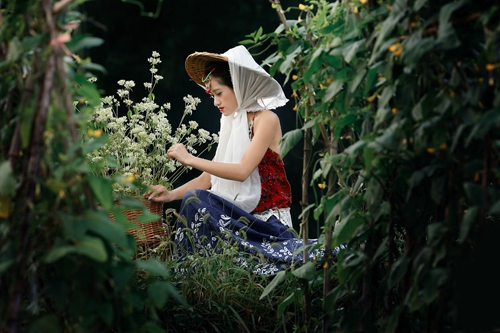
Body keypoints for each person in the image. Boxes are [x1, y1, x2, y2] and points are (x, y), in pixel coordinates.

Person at [146, 45, 326, 275]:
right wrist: (170, 195)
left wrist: (190, 159)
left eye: (219, 93)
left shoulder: (266, 119)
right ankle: (193, 273)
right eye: (212, 96)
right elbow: (208, 178)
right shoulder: (232, 123)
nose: (216, 102)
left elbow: (241, 171)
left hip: (267, 225)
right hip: (238, 222)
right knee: (193, 199)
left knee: (196, 199)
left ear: (239, 86)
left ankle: (193, 270)